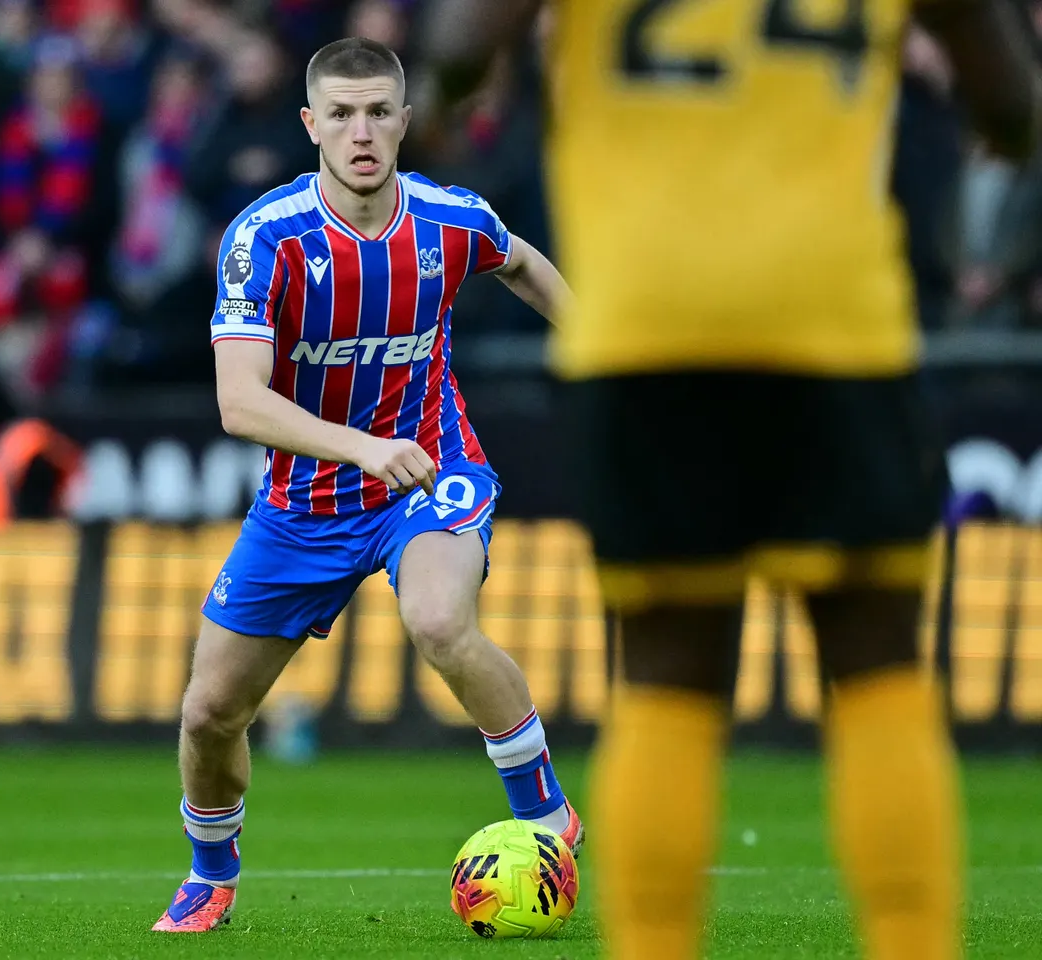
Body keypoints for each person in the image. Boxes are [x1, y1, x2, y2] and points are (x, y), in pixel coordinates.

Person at [424, 2, 1042, 959]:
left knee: (669, 672)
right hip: (832, 320)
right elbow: (1010, 106)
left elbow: (463, 49)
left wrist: (442, 107)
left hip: (644, 324)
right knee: (878, 669)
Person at [151, 37, 579, 935]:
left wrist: (603, 349)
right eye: (341, 114)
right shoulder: (263, 240)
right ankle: (211, 875)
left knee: (438, 620)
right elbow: (240, 402)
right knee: (208, 715)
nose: (361, 132)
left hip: (431, 471)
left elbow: (526, 265)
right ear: (310, 125)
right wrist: (359, 447)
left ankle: (547, 819)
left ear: (404, 121)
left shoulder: (449, 217)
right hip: (305, 506)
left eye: (379, 112)